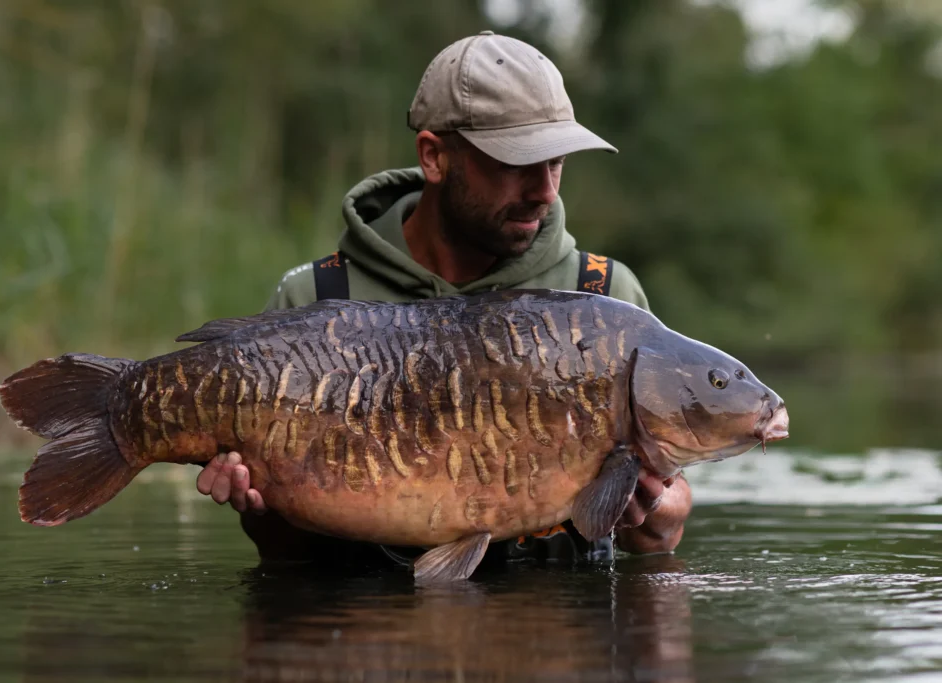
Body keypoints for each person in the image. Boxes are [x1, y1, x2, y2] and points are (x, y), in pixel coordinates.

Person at [195, 31, 693, 568]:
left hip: (555, 630)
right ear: (434, 157)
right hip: (360, 631)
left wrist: (656, 509)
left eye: (557, 162)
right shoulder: (316, 297)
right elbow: (282, 556)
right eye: (517, 162)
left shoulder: (602, 298)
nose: (545, 190)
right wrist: (261, 509)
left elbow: (665, 528)